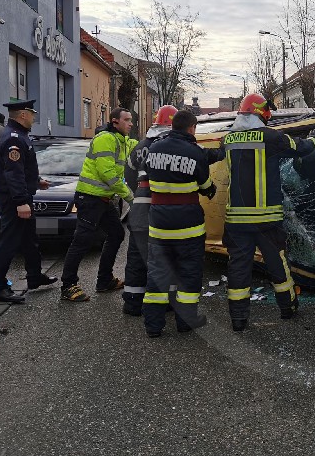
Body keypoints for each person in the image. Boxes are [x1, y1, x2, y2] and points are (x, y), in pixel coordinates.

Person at [220, 93, 315, 332]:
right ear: (259, 113)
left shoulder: (228, 139)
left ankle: (239, 319)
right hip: (267, 219)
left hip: (237, 220)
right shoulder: (271, 137)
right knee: (277, 264)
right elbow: (301, 148)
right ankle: (287, 308)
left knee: (238, 268)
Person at [142, 109, 219, 337]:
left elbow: (148, 176)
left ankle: (153, 327)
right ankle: (185, 323)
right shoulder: (194, 153)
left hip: (159, 226)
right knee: (189, 274)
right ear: (192, 128)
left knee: (157, 275)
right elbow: (206, 189)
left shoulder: (154, 149)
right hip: (188, 228)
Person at [60, 107, 134, 302]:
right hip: (90, 198)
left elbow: (140, 146)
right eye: (127, 120)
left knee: (117, 234)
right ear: (115, 121)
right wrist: (130, 197)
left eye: (131, 120)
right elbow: (107, 173)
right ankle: (68, 285)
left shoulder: (122, 140)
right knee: (82, 240)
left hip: (103, 199)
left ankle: (104, 280)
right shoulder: (105, 139)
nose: (131, 123)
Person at [0, 100, 57, 303]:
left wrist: (36, 181)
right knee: (8, 242)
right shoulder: (14, 138)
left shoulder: (19, 136)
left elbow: (22, 168)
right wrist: (20, 201)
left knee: (29, 239)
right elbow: (13, 172)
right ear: (23, 115)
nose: (34, 118)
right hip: (13, 199)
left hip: (22, 194)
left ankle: (34, 276)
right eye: (32, 115)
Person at [121, 104, 178, 316]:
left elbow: (128, 175)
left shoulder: (140, 147)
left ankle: (133, 303)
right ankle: (165, 303)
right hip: (163, 211)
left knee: (137, 257)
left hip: (139, 212)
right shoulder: (172, 147)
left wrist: (139, 194)